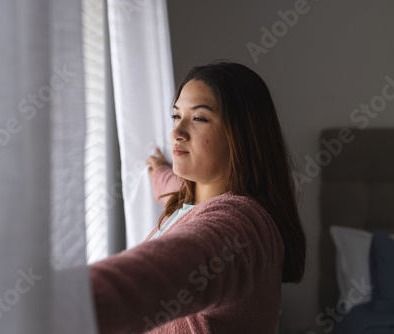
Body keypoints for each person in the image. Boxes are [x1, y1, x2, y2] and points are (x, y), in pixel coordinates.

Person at [89, 61, 307, 334]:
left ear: (241, 135)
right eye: (176, 116)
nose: (177, 133)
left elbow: (154, 277)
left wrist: (62, 302)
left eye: (199, 118)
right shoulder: (187, 196)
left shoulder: (240, 226)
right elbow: (171, 185)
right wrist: (159, 170)